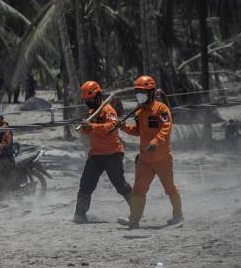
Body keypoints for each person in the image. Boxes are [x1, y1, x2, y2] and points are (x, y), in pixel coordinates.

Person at [117, 76, 182, 228]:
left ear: (151, 92)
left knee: (170, 188)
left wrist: (155, 142)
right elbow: (139, 131)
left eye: (143, 92)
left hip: (162, 158)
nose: (140, 95)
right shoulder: (139, 112)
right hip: (145, 160)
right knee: (138, 190)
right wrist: (124, 127)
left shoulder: (162, 109)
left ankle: (178, 216)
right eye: (138, 92)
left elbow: (166, 128)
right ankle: (134, 220)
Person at [74, 81, 132, 223]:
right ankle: (80, 214)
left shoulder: (108, 110)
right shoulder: (91, 112)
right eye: (86, 100)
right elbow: (89, 131)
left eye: (90, 99)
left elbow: (112, 126)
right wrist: (85, 127)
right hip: (96, 155)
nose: (88, 102)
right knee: (86, 185)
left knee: (120, 185)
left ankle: (137, 208)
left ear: (98, 96)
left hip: (113, 154)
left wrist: (92, 126)